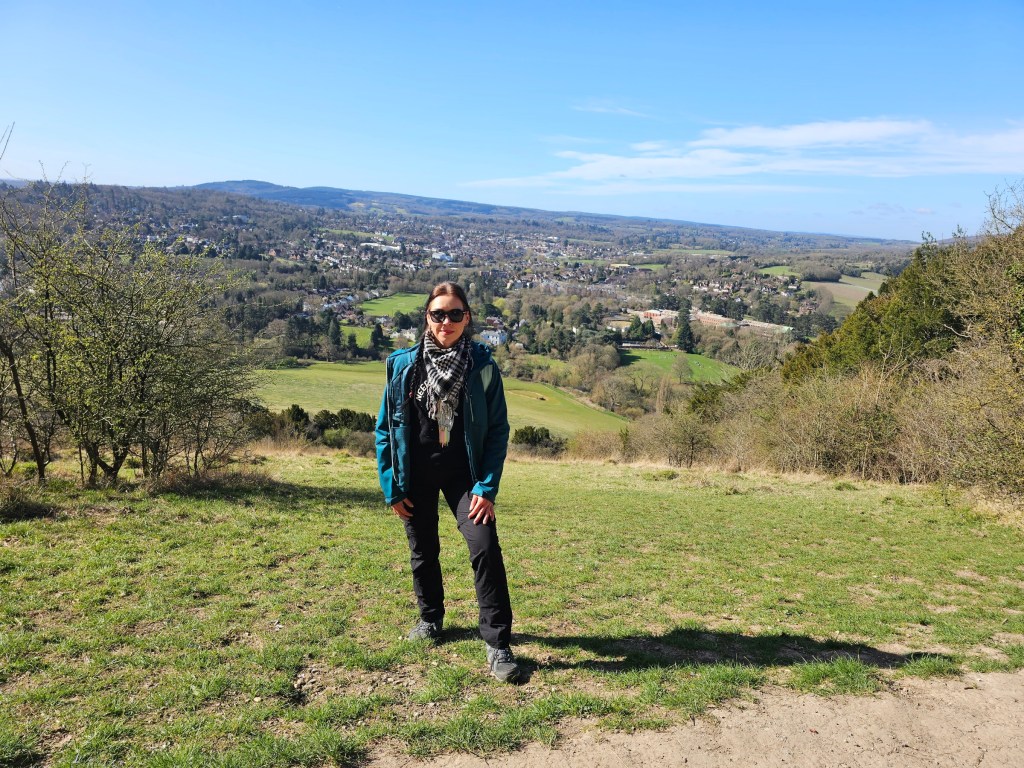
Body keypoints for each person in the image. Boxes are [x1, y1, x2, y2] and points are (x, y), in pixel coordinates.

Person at [374, 282, 519, 683]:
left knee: (485, 547)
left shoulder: (482, 367)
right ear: (427, 318)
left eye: (456, 314)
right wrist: (393, 485)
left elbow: (498, 431)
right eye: (439, 314)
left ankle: (497, 642)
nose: (447, 322)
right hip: (415, 471)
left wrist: (486, 488)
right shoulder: (403, 365)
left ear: (467, 318)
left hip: (465, 476)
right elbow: (386, 428)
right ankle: (430, 619)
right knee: (423, 549)